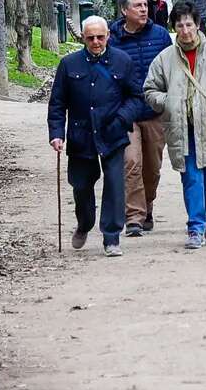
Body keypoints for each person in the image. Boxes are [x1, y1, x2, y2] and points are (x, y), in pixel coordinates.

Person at [143, 2, 206, 250]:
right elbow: (149, 90)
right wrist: (166, 101)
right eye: (180, 25)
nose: (185, 29)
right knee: (191, 179)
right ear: (174, 28)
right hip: (182, 130)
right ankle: (195, 227)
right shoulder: (165, 59)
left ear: (198, 25)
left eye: (189, 24)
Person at [47, 15, 147, 257]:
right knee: (81, 186)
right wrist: (57, 134)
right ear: (83, 38)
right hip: (81, 136)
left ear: (108, 36)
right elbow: (58, 103)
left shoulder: (122, 61)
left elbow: (136, 97)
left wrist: (122, 119)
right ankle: (84, 223)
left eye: (100, 37)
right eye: (90, 37)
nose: (95, 41)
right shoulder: (69, 64)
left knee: (114, 185)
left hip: (112, 132)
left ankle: (111, 237)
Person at [109, 0, 174, 237]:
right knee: (131, 162)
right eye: (137, 6)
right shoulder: (113, 39)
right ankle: (133, 217)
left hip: (155, 111)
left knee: (152, 167)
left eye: (145, 5)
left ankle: (147, 206)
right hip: (126, 112)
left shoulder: (160, 36)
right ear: (125, 10)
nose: (144, 9)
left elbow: (171, 69)